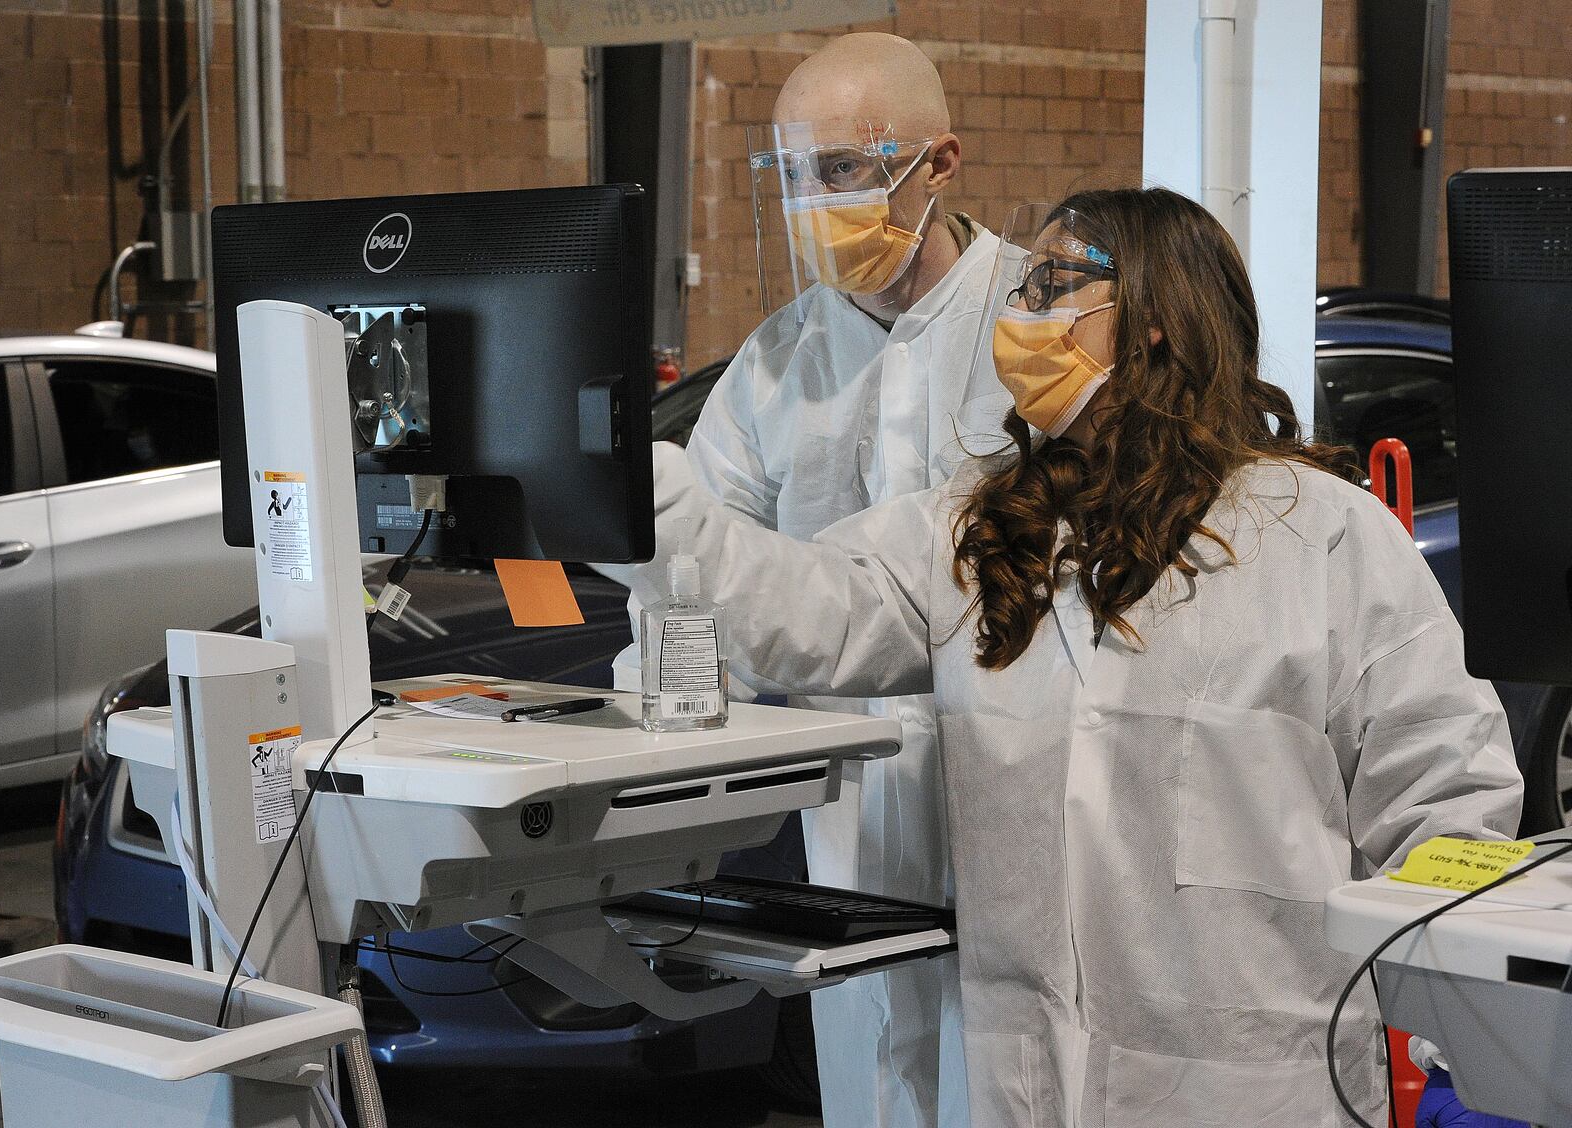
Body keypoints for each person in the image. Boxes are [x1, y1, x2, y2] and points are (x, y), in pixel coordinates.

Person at [619, 187, 1524, 1126]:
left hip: (1253, 1082)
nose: (1019, 317)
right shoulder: (976, 532)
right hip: (1029, 1076)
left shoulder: (1323, 533)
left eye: (1054, 285)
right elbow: (798, 611)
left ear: (1162, 320)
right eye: (1021, 290)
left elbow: (1442, 786)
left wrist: (1461, 1031)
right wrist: (635, 498)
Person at [616, 31, 1003, 1128]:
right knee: (871, 1066)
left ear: (940, 163)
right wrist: (663, 728)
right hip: (847, 799)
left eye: (846, 170)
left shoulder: (1029, 323)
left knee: (1001, 1074)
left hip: (1013, 778)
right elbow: (695, 571)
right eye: (794, 175)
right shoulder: (781, 355)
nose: (816, 203)